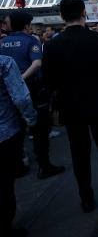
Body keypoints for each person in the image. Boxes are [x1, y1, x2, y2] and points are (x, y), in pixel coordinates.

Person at [42, 0, 98, 220]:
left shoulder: (52, 45)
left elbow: (48, 80)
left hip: (71, 108)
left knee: (80, 155)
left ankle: (86, 198)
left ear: (61, 16)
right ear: (83, 13)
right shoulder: (97, 40)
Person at [0, 11, 64, 179]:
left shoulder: (2, 42)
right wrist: (20, 80)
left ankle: (19, 165)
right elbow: (37, 63)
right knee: (40, 132)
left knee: (17, 130)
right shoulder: (31, 41)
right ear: (27, 25)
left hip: (7, 96)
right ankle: (44, 166)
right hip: (32, 92)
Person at [0, 55, 37, 237]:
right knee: (5, 184)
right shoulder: (4, 62)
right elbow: (21, 98)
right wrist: (31, 118)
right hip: (6, 133)